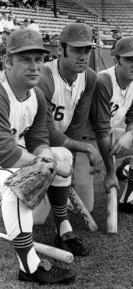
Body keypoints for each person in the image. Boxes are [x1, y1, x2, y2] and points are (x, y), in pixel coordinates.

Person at [0, 29, 77, 284]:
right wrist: (44, 163)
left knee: (59, 158)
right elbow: (5, 153)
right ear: (7, 62)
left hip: (9, 158)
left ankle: (61, 225)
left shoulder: (37, 96)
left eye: (38, 60)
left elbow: (39, 139)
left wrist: (47, 160)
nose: (34, 67)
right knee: (17, 183)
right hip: (4, 159)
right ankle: (30, 268)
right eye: (25, 59)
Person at [37, 23, 102, 213]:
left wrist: (69, 165)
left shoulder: (89, 77)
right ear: (60, 49)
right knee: (37, 219)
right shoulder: (45, 77)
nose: (83, 56)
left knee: (86, 206)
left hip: (61, 144)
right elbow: (45, 132)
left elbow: (77, 125)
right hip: (32, 143)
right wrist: (86, 147)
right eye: (76, 50)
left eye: (87, 50)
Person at [91, 36, 133, 217]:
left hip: (108, 135)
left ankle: (128, 198)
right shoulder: (103, 81)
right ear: (116, 60)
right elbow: (100, 129)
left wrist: (129, 135)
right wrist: (110, 173)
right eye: (129, 59)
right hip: (87, 141)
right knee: (86, 205)